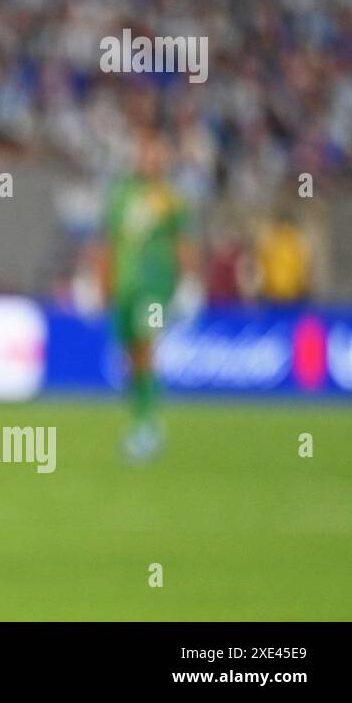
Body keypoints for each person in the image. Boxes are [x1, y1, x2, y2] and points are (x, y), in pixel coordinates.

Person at [102, 130, 202, 464]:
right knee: (131, 357)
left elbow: (183, 243)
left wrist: (189, 282)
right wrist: (100, 281)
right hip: (126, 287)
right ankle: (141, 420)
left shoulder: (171, 199)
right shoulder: (122, 195)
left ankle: (147, 428)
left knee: (146, 347)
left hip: (156, 286)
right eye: (147, 153)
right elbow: (110, 242)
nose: (151, 160)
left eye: (158, 154)